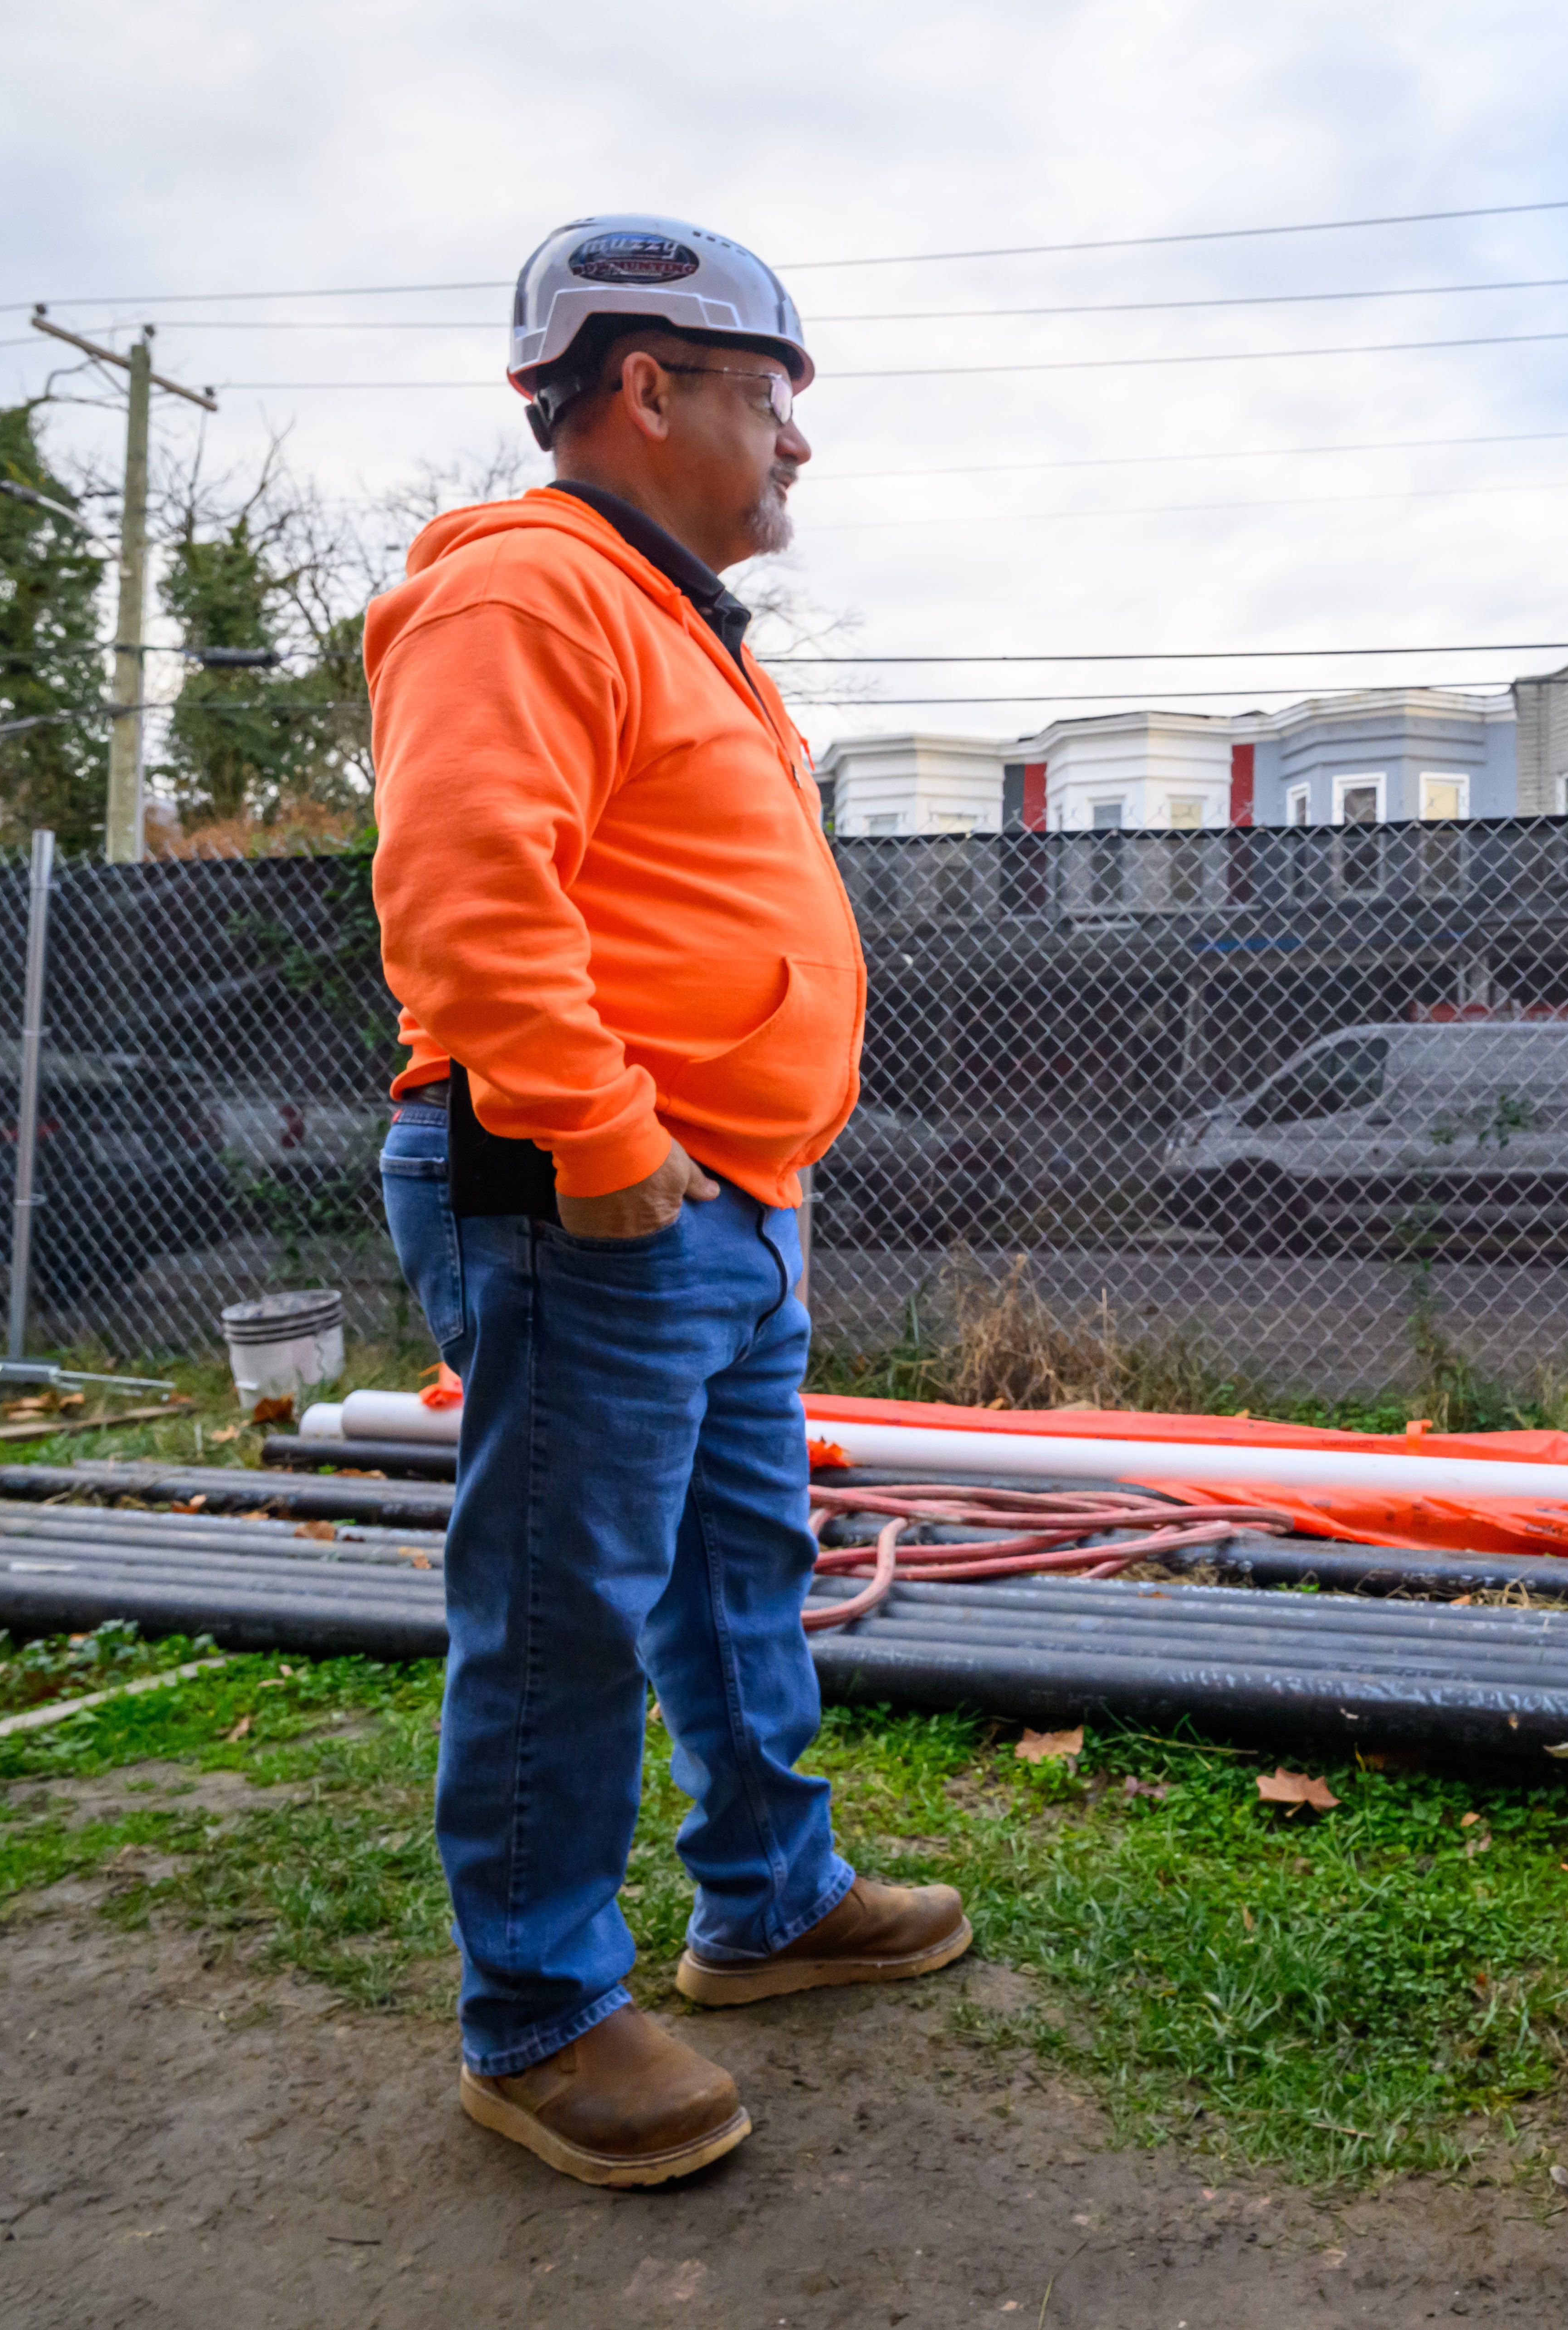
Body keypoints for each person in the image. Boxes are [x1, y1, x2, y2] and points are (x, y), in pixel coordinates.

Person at [366, 214, 969, 2190]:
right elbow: (468, 882)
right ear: (649, 386)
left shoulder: (667, 616)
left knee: (732, 1575)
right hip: (593, 1189)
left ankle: (768, 1903)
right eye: (773, 399)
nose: (799, 443)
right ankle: (537, 2015)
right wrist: (606, 1141)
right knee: (564, 1608)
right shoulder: (528, 589)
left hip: (720, 1194)